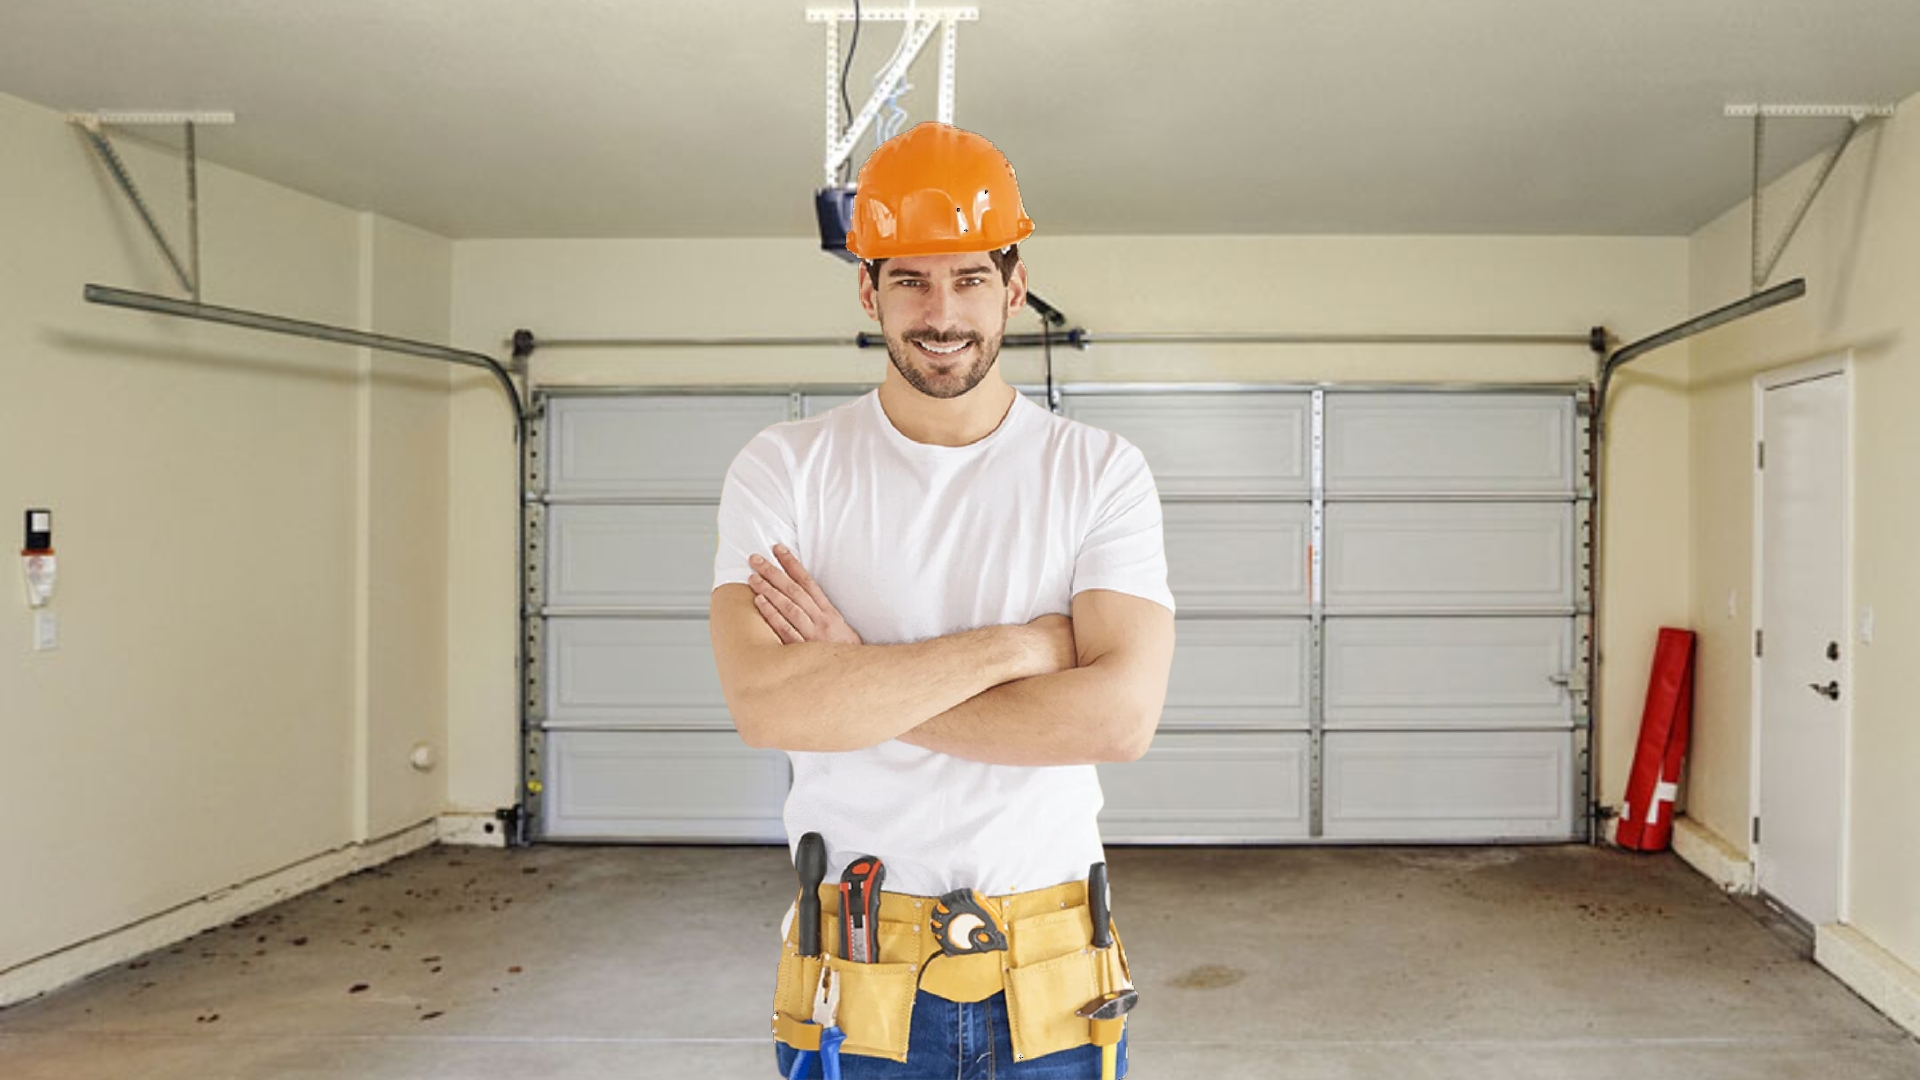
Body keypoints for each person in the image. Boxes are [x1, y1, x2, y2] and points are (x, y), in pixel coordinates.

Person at [709, 121, 1175, 1079]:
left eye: (968, 278)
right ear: (869, 288)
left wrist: (857, 675)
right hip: (856, 960)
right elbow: (771, 706)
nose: (941, 312)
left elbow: (1120, 720)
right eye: (910, 279)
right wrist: (1018, 648)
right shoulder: (785, 470)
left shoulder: (1098, 472)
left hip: (1052, 966)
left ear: (1013, 284)